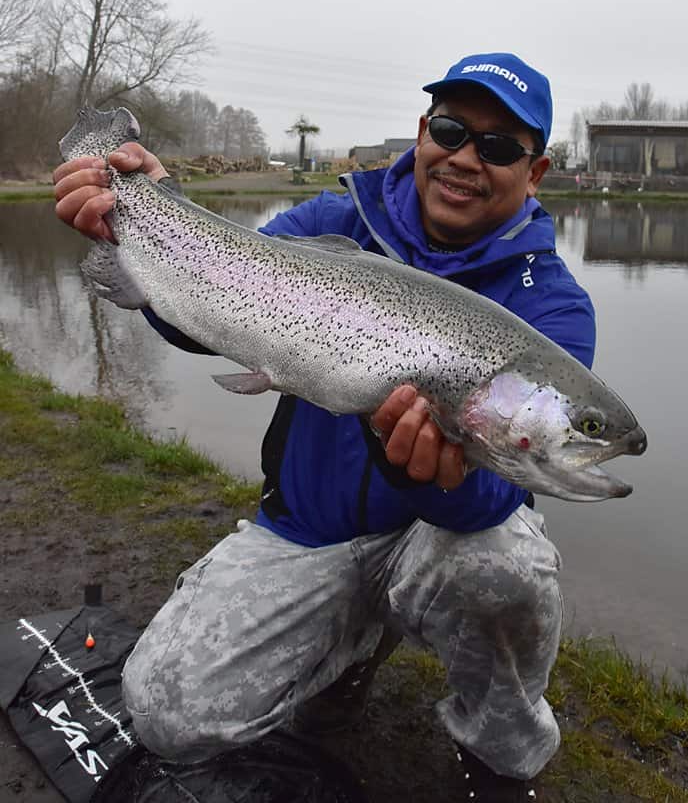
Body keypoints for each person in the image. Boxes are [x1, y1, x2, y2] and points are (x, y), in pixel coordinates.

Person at [53, 52, 595, 802]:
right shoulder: (334, 218)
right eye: (450, 130)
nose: (467, 157)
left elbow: (491, 506)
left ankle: (501, 749)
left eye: (500, 146)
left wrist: (416, 470)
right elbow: (218, 317)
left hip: (440, 543)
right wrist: (142, 213)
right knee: (162, 715)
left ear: (533, 173)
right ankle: (348, 648)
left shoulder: (554, 306)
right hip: (311, 528)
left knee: (502, 566)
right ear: (420, 134)